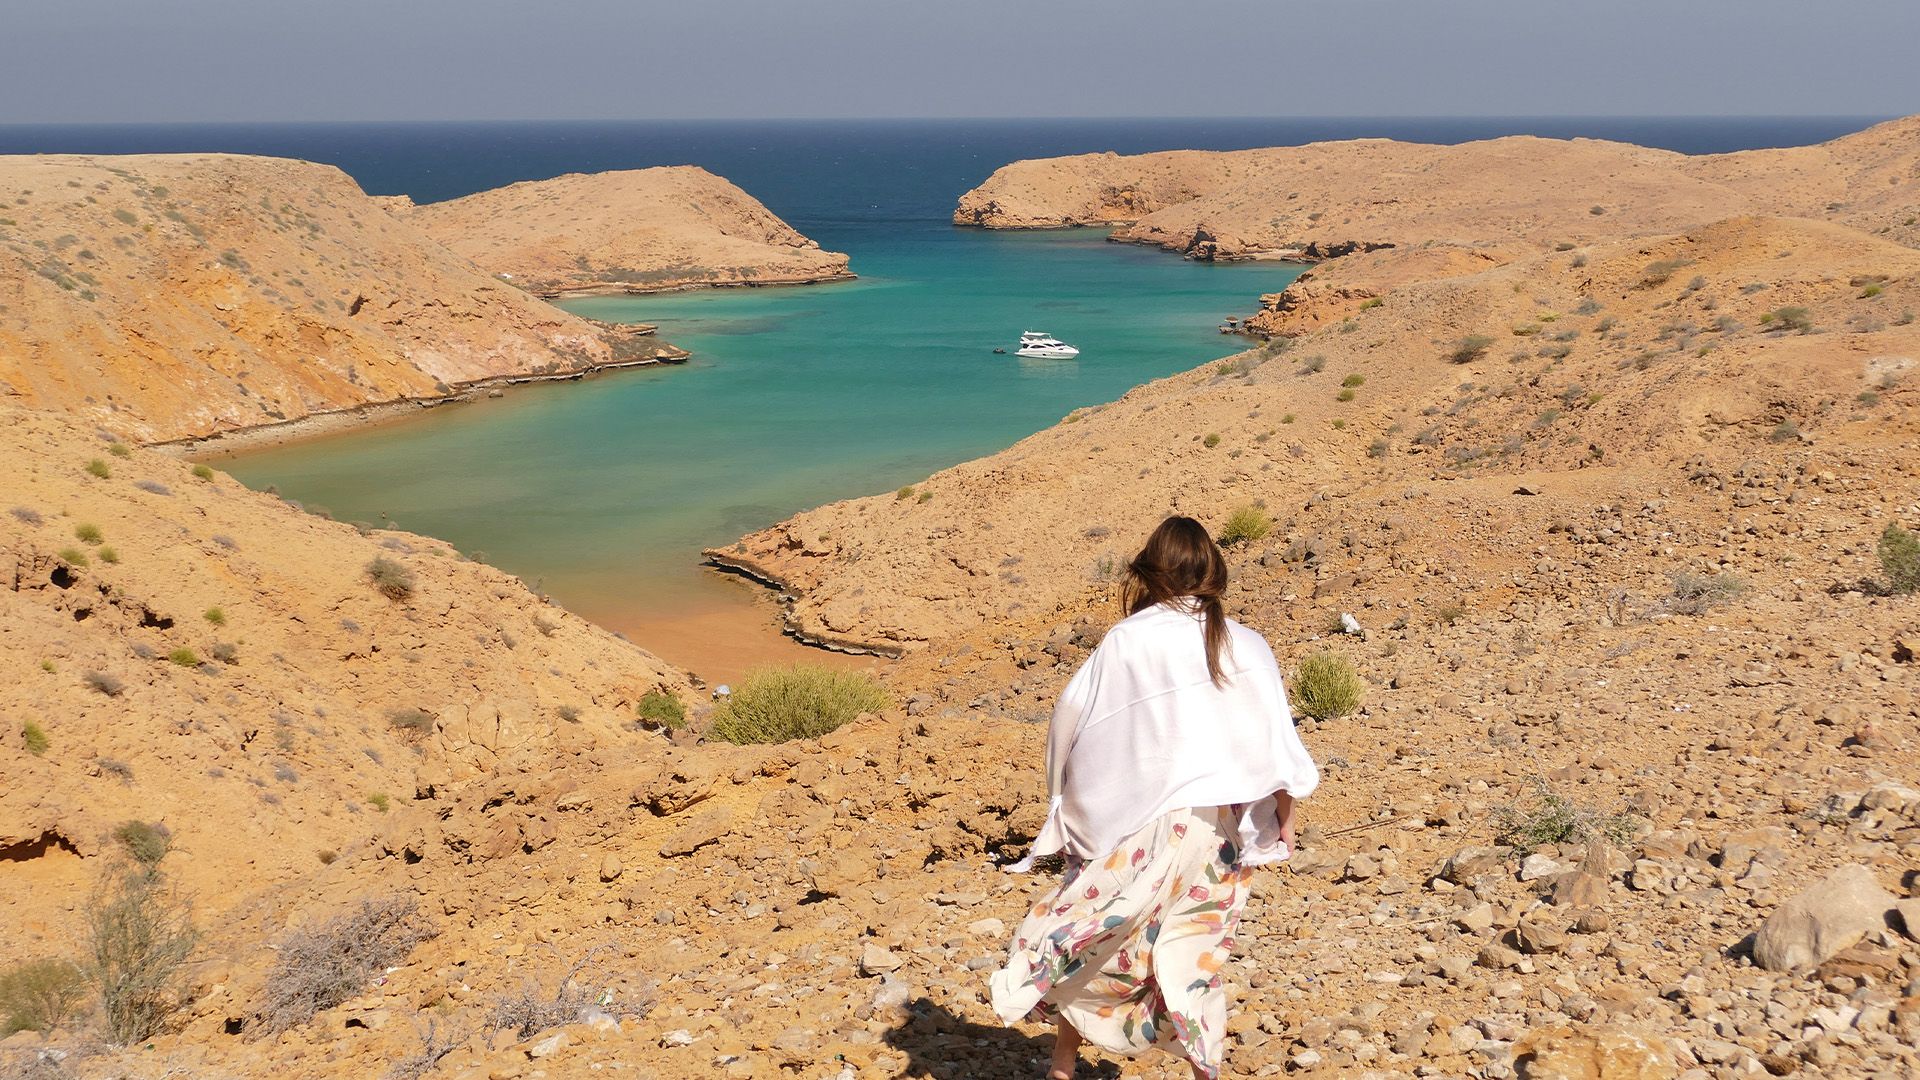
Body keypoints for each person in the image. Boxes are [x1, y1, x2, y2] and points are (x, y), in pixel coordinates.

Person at [990, 515, 1321, 1080]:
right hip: (1217, 834)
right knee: (1194, 954)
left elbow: (1073, 720)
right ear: (1213, 570)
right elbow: (1274, 740)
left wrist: (1065, 806)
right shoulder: (1246, 642)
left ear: (1151, 573)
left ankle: (1063, 1068)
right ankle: (1201, 1071)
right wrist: (1282, 818)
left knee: (1094, 934)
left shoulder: (1129, 639)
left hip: (1138, 828)